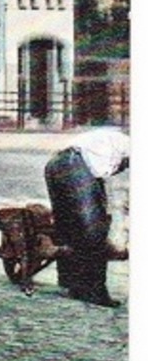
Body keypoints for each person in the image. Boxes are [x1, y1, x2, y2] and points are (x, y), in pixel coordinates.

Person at [44, 125, 130, 307]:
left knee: (69, 226)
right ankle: (95, 291)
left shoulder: (113, 139)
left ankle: (72, 283)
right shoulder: (129, 145)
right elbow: (114, 186)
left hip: (55, 164)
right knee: (94, 231)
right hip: (75, 165)